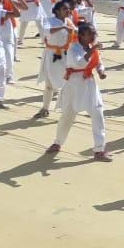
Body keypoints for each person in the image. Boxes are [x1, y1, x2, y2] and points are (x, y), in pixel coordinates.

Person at [47, 23, 110, 161]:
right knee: (67, 116)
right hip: (75, 84)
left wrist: (101, 71)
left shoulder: (90, 47)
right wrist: (92, 49)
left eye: (94, 33)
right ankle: (57, 142)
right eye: (90, 33)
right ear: (81, 35)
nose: (93, 36)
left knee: (98, 113)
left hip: (89, 84)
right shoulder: (73, 48)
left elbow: (98, 61)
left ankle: (100, 149)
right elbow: (80, 64)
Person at [34, 0, 76, 120]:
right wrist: (63, 27)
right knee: (49, 84)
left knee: (66, 83)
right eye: (64, 9)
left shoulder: (69, 21)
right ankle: (45, 108)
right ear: (57, 11)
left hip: (66, 55)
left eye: (68, 9)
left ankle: (67, 111)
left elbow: (76, 33)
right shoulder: (50, 21)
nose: (68, 11)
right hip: (52, 55)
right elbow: (47, 31)